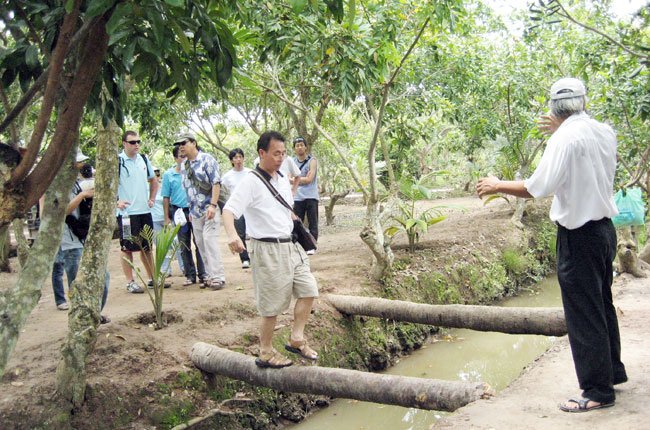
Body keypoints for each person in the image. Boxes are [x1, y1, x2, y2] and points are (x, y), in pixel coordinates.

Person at [476, 77, 627, 413]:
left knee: (583, 313)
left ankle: (597, 391)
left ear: (554, 109)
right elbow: (582, 164)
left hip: (579, 236)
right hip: (604, 231)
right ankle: (612, 373)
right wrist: (561, 130)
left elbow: (536, 187)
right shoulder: (604, 130)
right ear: (584, 102)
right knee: (602, 304)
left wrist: (497, 184)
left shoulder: (564, 139)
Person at [223, 130, 319, 369]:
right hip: (266, 249)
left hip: (291, 246)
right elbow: (229, 211)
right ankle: (265, 351)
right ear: (262, 153)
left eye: (283, 154)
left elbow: (284, 209)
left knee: (309, 290)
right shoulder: (251, 181)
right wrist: (233, 235)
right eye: (276, 153)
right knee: (271, 305)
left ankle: (296, 338)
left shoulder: (282, 178)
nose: (280, 158)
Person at [52, 149, 110, 324]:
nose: (81, 164)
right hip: (70, 242)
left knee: (103, 276)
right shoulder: (58, 186)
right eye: (78, 162)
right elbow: (62, 212)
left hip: (84, 238)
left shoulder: (77, 183)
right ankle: (80, 319)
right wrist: (83, 195)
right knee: (76, 283)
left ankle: (93, 313)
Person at [176, 132, 226, 290]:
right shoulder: (184, 165)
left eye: (184, 143)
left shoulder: (207, 159)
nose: (181, 147)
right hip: (194, 212)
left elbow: (216, 183)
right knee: (201, 243)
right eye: (179, 144)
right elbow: (187, 189)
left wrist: (212, 205)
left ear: (194, 143)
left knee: (210, 241)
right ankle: (210, 276)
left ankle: (218, 277)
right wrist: (190, 211)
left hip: (209, 208)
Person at [116, 130, 157, 294]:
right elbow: (106, 185)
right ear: (124, 143)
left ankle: (153, 279)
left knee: (147, 247)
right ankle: (130, 282)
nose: (136, 145)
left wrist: (152, 198)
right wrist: (116, 201)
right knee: (126, 248)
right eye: (132, 142)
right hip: (126, 214)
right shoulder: (118, 161)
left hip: (144, 212)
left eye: (138, 142)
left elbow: (153, 180)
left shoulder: (143, 159)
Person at [162, 144, 206, 286]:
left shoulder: (193, 172)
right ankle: (190, 275)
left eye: (185, 156)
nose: (184, 159)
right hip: (179, 212)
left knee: (199, 242)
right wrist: (166, 217)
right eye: (181, 156)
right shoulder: (169, 175)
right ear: (175, 158)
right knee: (183, 244)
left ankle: (203, 273)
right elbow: (166, 197)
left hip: (195, 210)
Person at [221, 148, 252, 269]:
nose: (238, 160)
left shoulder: (250, 173)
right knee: (240, 233)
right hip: (236, 210)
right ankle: (245, 259)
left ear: (243, 158)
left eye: (240, 157)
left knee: (254, 233)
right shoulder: (227, 177)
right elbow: (223, 193)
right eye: (235, 158)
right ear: (231, 160)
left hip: (250, 208)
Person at [292, 136, 319, 255]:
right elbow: (288, 178)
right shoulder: (292, 162)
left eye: (301, 145)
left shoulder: (312, 160)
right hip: (297, 197)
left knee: (313, 221)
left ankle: (312, 245)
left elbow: (310, 179)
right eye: (297, 145)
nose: (299, 147)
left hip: (311, 196)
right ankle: (298, 245)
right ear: (294, 149)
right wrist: (301, 179)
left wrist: (295, 179)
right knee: (297, 222)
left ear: (306, 147)